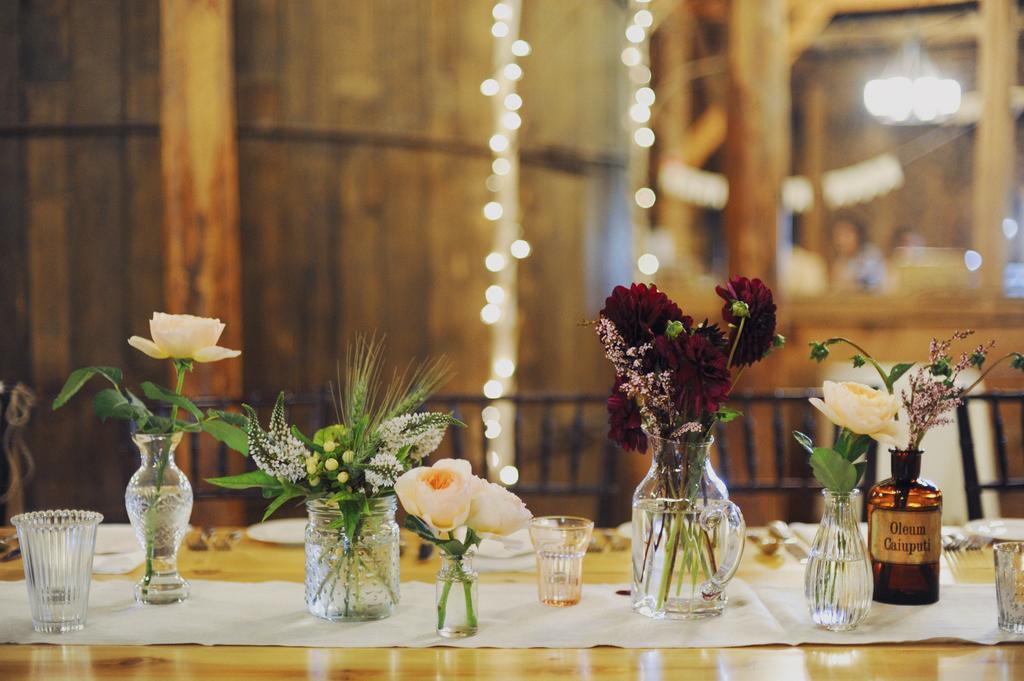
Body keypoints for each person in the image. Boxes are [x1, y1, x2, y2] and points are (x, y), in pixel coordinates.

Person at [831, 215, 886, 293]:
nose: (841, 240)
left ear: (859, 235)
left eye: (846, 235)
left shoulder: (871, 255)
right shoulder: (841, 260)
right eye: (838, 235)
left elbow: (872, 286)